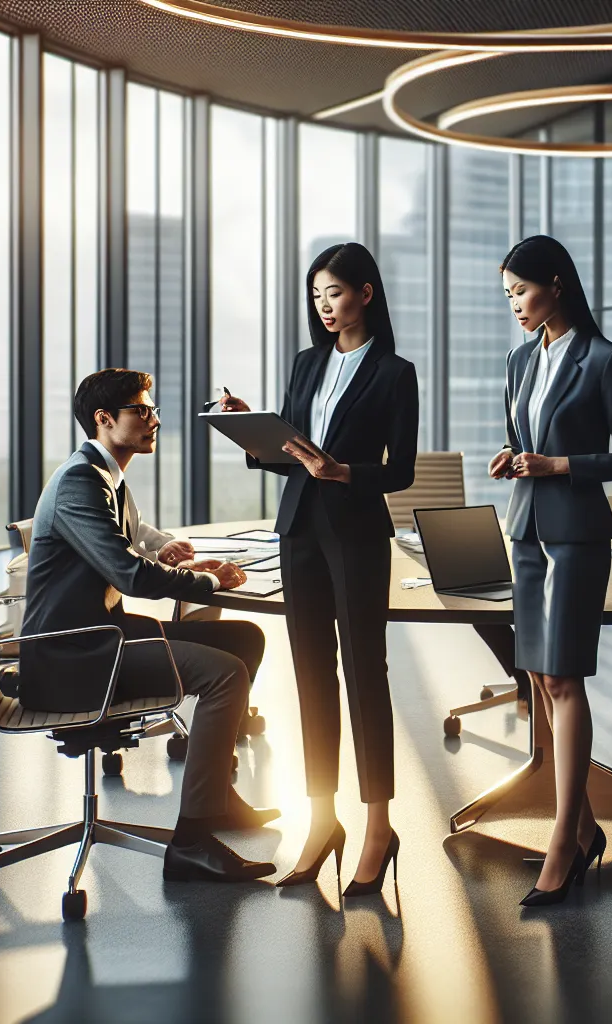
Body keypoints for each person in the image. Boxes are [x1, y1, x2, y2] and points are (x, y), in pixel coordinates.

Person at [21, 368, 279, 883]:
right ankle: (191, 840)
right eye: (142, 410)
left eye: (151, 409)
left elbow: (129, 547)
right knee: (225, 674)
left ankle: (215, 797)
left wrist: (189, 567)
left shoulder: (105, 475)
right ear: (104, 419)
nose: (154, 419)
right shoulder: (80, 481)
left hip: (103, 636)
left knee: (243, 639)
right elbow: (129, 573)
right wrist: (206, 582)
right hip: (75, 658)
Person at [223, 241, 418, 897]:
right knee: (310, 674)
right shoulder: (307, 363)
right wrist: (250, 428)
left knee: (366, 673)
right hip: (299, 529)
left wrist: (345, 473)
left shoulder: (396, 373)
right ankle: (322, 818)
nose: (325, 306)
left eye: (334, 292)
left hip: (358, 531)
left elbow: (402, 471)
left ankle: (378, 826)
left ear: (365, 292)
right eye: (316, 296)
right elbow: (289, 454)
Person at [488, 235, 612, 907]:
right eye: (508, 297)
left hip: (576, 531)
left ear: (555, 284)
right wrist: (513, 456)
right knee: (535, 675)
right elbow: (524, 438)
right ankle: (584, 827)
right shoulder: (521, 360)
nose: (516, 307)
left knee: (562, 675)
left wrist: (557, 466)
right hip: (524, 525)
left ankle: (562, 840)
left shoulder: (605, 359)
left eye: (521, 292)